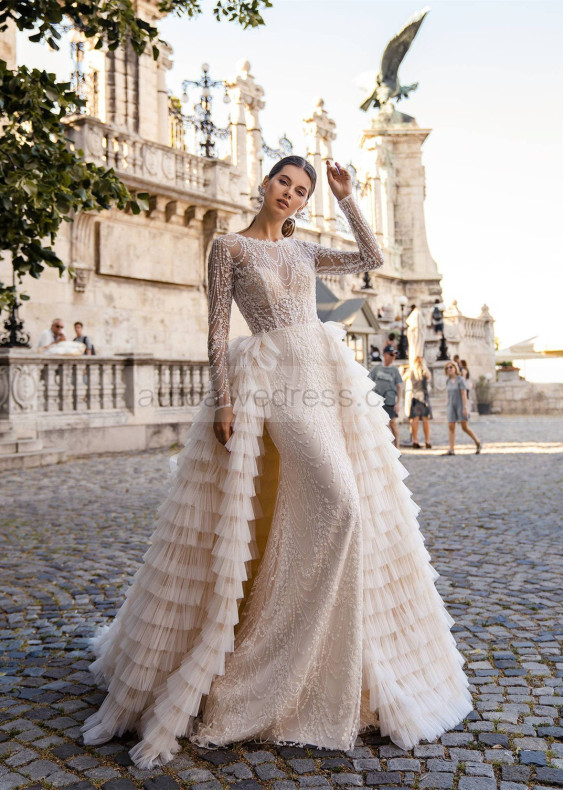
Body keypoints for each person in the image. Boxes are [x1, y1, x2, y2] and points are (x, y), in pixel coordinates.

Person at [81, 155, 472, 767]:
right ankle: (269, 659)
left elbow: (371, 258)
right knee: (340, 503)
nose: (291, 195)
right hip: (273, 382)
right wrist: (224, 400)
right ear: (264, 183)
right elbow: (215, 331)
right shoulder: (229, 248)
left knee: (332, 506)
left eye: (302, 190)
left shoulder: (306, 251)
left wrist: (345, 197)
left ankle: (325, 658)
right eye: (284, 183)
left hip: (323, 377)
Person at [367, 344, 403, 450]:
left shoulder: (395, 370)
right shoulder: (377, 368)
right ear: (385, 355)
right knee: (379, 425)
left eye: (394, 355)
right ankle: (383, 448)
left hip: (390, 401)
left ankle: (397, 448)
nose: (393, 357)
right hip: (378, 402)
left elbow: (400, 387)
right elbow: (368, 381)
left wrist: (398, 403)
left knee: (393, 424)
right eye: (391, 355)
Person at [444, 361, 481, 455]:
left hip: (460, 405)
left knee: (464, 427)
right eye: (447, 368)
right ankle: (451, 449)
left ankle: (477, 442)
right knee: (451, 427)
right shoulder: (447, 381)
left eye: (451, 367)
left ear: (455, 368)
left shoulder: (460, 380)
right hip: (451, 406)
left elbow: (464, 394)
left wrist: (464, 407)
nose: (449, 369)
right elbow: (448, 394)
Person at [408, 356, 433, 449]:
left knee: (415, 419)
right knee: (425, 419)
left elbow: (403, 377)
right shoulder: (424, 372)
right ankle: (427, 441)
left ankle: (415, 440)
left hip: (415, 396)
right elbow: (429, 377)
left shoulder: (411, 372)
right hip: (423, 397)